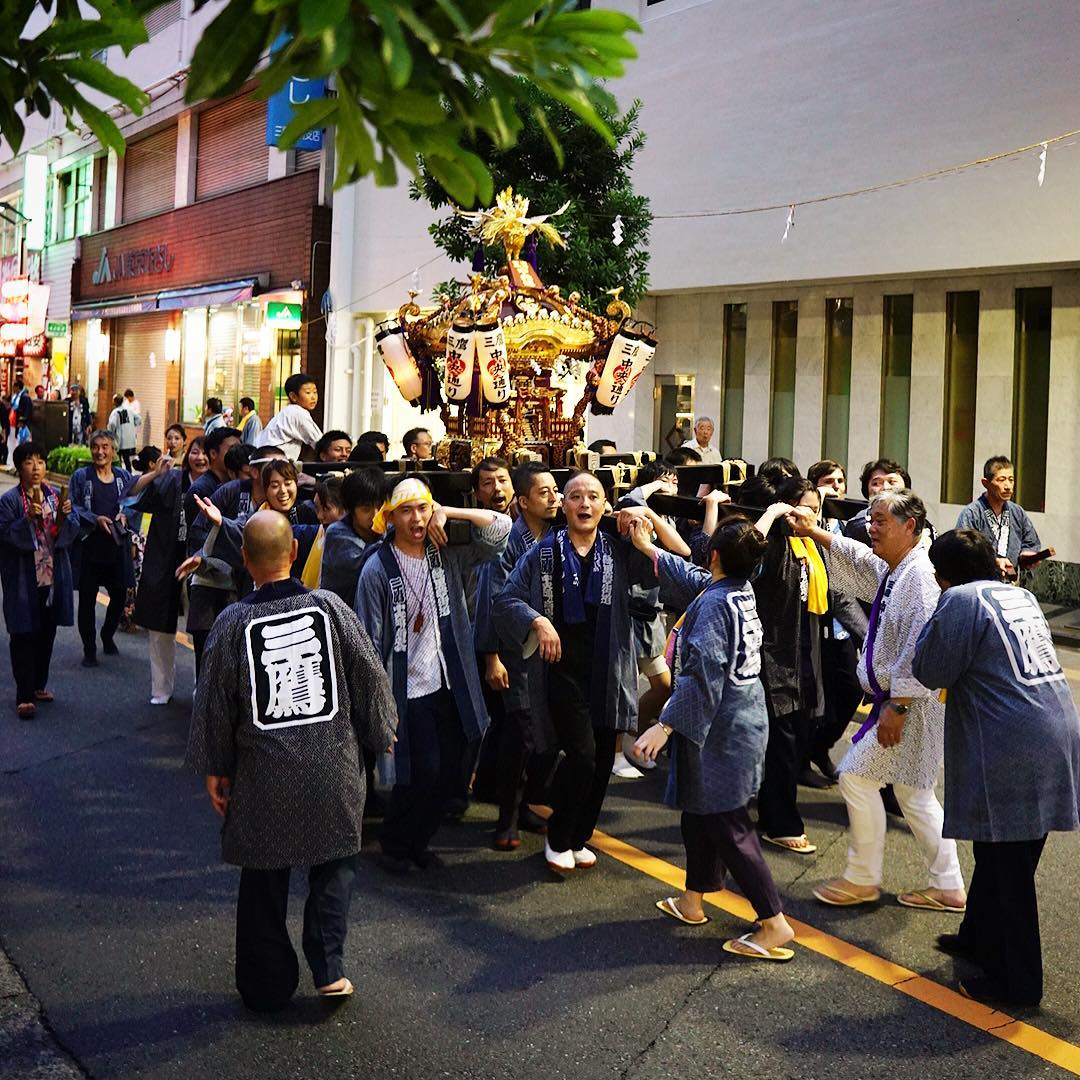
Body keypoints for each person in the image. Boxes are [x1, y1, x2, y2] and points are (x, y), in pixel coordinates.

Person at [185, 510, 396, 1011]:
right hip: (334, 768)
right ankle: (329, 969)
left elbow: (214, 703)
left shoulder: (232, 623)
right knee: (334, 866)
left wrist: (218, 767)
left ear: (244, 559)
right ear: (295, 553)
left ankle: (266, 984)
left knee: (263, 876)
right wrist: (380, 730)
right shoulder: (330, 608)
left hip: (264, 773)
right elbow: (369, 676)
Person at [912, 529, 1080, 1006]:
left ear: (944, 574)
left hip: (1013, 740)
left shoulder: (959, 600)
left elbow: (930, 670)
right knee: (1000, 850)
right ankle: (978, 938)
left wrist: (935, 615)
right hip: (1055, 728)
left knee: (1009, 865)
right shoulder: (1019, 595)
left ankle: (1018, 983)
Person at [788, 490, 966, 912]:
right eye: (871, 519)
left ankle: (862, 878)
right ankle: (948, 886)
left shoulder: (919, 576)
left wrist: (898, 706)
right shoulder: (900, 566)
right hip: (910, 700)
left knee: (856, 776)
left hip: (911, 703)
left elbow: (922, 648)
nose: (871, 528)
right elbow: (862, 562)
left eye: (881, 520)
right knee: (914, 793)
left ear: (910, 526)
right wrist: (815, 532)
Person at [629, 515, 796, 961]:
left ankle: (774, 922)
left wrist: (664, 725)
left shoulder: (715, 604)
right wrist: (649, 548)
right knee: (700, 813)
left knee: (727, 823)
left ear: (716, 556)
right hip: (738, 720)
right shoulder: (737, 589)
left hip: (722, 728)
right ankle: (693, 900)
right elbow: (692, 576)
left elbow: (703, 677)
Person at [493, 473, 675, 874]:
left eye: (593, 496)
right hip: (561, 671)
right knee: (583, 757)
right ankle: (559, 837)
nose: (585, 504)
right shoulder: (543, 552)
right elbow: (505, 600)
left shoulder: (618, 549)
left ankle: (578, 837)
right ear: (565, 504)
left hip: (608, 671)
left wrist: (646, 522)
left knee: (600, 763)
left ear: (605, 505)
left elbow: (677, 559)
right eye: (576, 496)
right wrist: (538, 621)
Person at [354, 477, 511, 873]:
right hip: (406, 688)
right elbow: (368, 640)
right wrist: (377, 704)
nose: (416, 519)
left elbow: (501, 528)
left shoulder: (446, 551)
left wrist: (449, 511)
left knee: (451, 775)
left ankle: (418, 842)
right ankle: (395, 844)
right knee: (420, 772)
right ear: (390, 517)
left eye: (422, 508)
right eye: (405, 511)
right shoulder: (376, 568)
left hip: (449, 680)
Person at [748, 476, 827, 852]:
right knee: (781, 741)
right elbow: (745, 558)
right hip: (772, 654)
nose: (810, 516)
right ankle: (780, 823)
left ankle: (771, 813)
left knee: (795, 736)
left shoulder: (810, 544)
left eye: (815, 509)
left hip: (802, 652)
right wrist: (771, 517)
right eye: (802, 508)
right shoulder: (773, 543)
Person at [486, 462, 561, 849]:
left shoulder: (558, 536)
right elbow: (492, 603)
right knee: (521, 735)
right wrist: (492, 657)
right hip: (516, 651)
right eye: (544, 493)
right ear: (524, 502)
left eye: (555, 491)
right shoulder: (507, 543)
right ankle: (507, 817)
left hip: (551, 650)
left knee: (549, 735)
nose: (553, 498)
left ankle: (530, 803)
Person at [613, 461, 693, 777]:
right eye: (665, 480)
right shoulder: (632, 515)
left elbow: (681, 550)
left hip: (650, 616)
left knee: (662, 685)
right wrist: (651, 490)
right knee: (623, 688)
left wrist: (653, 512)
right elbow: (628, 499)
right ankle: (616, 753)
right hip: (628, 614)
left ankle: (633, 736)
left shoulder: (659, 519)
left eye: (675, 481)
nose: (672, 486)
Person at [122, 438, 209, 704]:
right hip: (166, 557)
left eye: (206, 453)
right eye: (195, 452)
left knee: (203, 630)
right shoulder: (171, 479)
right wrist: (155, 474)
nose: (200, 458)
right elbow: (130, 495)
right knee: (160, 629)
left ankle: (203, 688)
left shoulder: (219, 485)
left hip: (202, 563)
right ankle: (161, 688)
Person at [0, 442, 77, 718]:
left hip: (51, 576)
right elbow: (5, 534)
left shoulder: (54, 496)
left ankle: (38, 685)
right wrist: (26, 521)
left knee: (46, 632)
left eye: (41, 462)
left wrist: (66, 516)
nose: (36, 468)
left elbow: (70, 532)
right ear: (19, 467)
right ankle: (24, 695)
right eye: (29, 462)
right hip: (23, 576)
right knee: (23, 634)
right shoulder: (9, 500)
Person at [69, 430, 134, 667]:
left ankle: (107, 634)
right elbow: (73, 506)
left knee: (119, 596)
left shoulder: (123, 476)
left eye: (105, 447)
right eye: (95, 447)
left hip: (117, 548)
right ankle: (89, 648)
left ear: (114, 451)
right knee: (87, 600)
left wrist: (125, 515)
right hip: (90, 547)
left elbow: (134, 502)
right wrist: (94, 519)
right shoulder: (81, 476)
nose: (100, 452)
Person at [183, 425, 242, 671]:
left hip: (229, 584)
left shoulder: (236, 485)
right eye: (232, 448)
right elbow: (199, 539)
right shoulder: (202, 490)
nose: (238, 452)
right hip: (209, 582)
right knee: (208, 661)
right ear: (214, 454)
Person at [956, 456, 1051, 581]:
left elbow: (1030, 542)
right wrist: (994, 561)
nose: (1008, 486)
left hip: (1010, 583)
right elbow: (963, 549)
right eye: (1001, 480)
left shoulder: (1017, 512)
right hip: (979, 582)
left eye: (1011, 480)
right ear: (986, 483)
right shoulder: (972, 513)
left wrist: (1027, 554)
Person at [319, 467, 383, 604]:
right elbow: (370, 565)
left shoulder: (387, 528)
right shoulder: (337, 534)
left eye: (380, 507)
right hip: (342, 613)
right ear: (350, 510)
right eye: (366, 509)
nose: (375, 515)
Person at [257, 374, 323, 460]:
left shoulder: (288, 411)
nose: (313, 397)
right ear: (293, 396)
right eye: (308, 392)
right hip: (273, 462)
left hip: (264, 458)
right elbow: (320, 443)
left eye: (315, 392)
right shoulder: (298, 413)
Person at [107, 393, 140, 472]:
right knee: (126, 459)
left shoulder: (115, 412)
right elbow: (139, 419)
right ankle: (129, 474)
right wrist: (132, 425)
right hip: (129, 440)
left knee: (118, 459)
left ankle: (119, 474)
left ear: (115, 402)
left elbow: (112, 424)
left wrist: (110, 433)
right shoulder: (129, 410)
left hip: (119, 439)